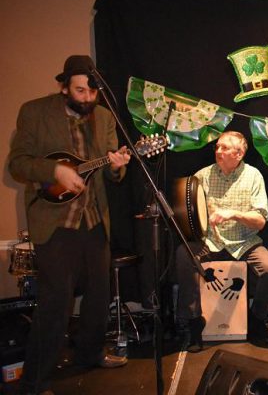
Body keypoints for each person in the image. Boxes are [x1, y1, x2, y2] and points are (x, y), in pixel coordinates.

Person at [9, 55, 131, 395]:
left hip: (93, 221)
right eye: (80, 90)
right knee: (56, 302)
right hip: (55, 223)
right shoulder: (34, 112)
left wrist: (117, 164)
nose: (87, 98)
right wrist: (56, 171)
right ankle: (34, 382)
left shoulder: (103, 116)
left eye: (92, 92)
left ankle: (89, 354)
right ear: (64, 87)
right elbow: (17, 164)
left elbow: (111, 170)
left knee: (98, 296)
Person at [175, 131, 268, 349]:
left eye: (225, 148)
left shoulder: (253, 176)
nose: (218, 151)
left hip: (244, 242)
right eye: (217, 147)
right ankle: (192, 322)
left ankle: (257, 320)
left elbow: (260, 220)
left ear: (240, 153)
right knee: (183, 254)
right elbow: (188, 209)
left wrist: (233, 213)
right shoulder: (202, 176)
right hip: (210, 240)